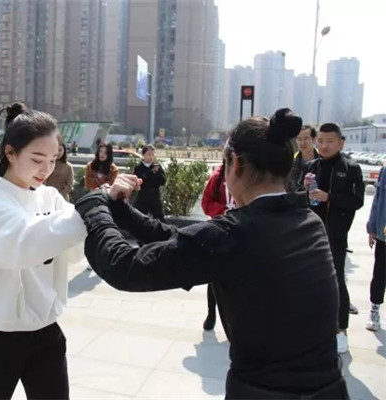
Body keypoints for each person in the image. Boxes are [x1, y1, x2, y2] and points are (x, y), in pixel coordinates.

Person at [74, 109, 349, 399]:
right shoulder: (307, 221)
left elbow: (124, 267)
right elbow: (188, 242)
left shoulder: (236, 233)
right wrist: (121, 211)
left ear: (235, 164)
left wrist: (95, 209)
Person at [0, 103, 87, 399]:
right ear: (10, 153)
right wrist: (89, 211)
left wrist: (106, 210)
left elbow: (74, 249)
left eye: (53, 159)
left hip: (45, 331)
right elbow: (23, 242)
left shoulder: (51, 197)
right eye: (37, 159)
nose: (46, 170)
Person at [304, 122, 364, 354]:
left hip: (336, 236)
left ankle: (341, 330)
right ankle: (315, 326)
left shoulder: (350, 168)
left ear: (341, 142)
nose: (325, 145)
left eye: (330, 141)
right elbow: (303, 198)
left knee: (336, 279)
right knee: (312, 281)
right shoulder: (312, 166)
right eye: (321, 141)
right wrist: (305, 187)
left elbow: (357, 201)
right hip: (310, 234)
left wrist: (329, 197)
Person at [200, 160, 235, 332]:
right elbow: (206, 202)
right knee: (213, 276)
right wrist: (223, 211)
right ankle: (211, 313)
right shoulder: (217, 177)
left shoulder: (250, 175)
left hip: (243, 231)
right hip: (220, 231)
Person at [366, 165, 385, 331]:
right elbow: (377, 200)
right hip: (384, 233)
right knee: (379, 273)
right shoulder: (385, 170)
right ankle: (374, 309)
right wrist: (372, 227)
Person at [133, 145, 166, 221]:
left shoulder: (157, 167)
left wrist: (157, 174)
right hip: (143, 198)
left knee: (160, 220)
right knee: (138, 219)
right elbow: (139, 181)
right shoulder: (138, 168)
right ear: (143, 155)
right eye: (148, 154)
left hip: (155, 197)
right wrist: (150, 173)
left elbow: (163, 181)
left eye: (152, 154)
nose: (151, 156)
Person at [288, 125, 319, 192]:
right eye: (299, 139)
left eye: (306, 138)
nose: (302, 142)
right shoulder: (291, 161)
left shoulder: (323, 160)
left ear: (314, 139)